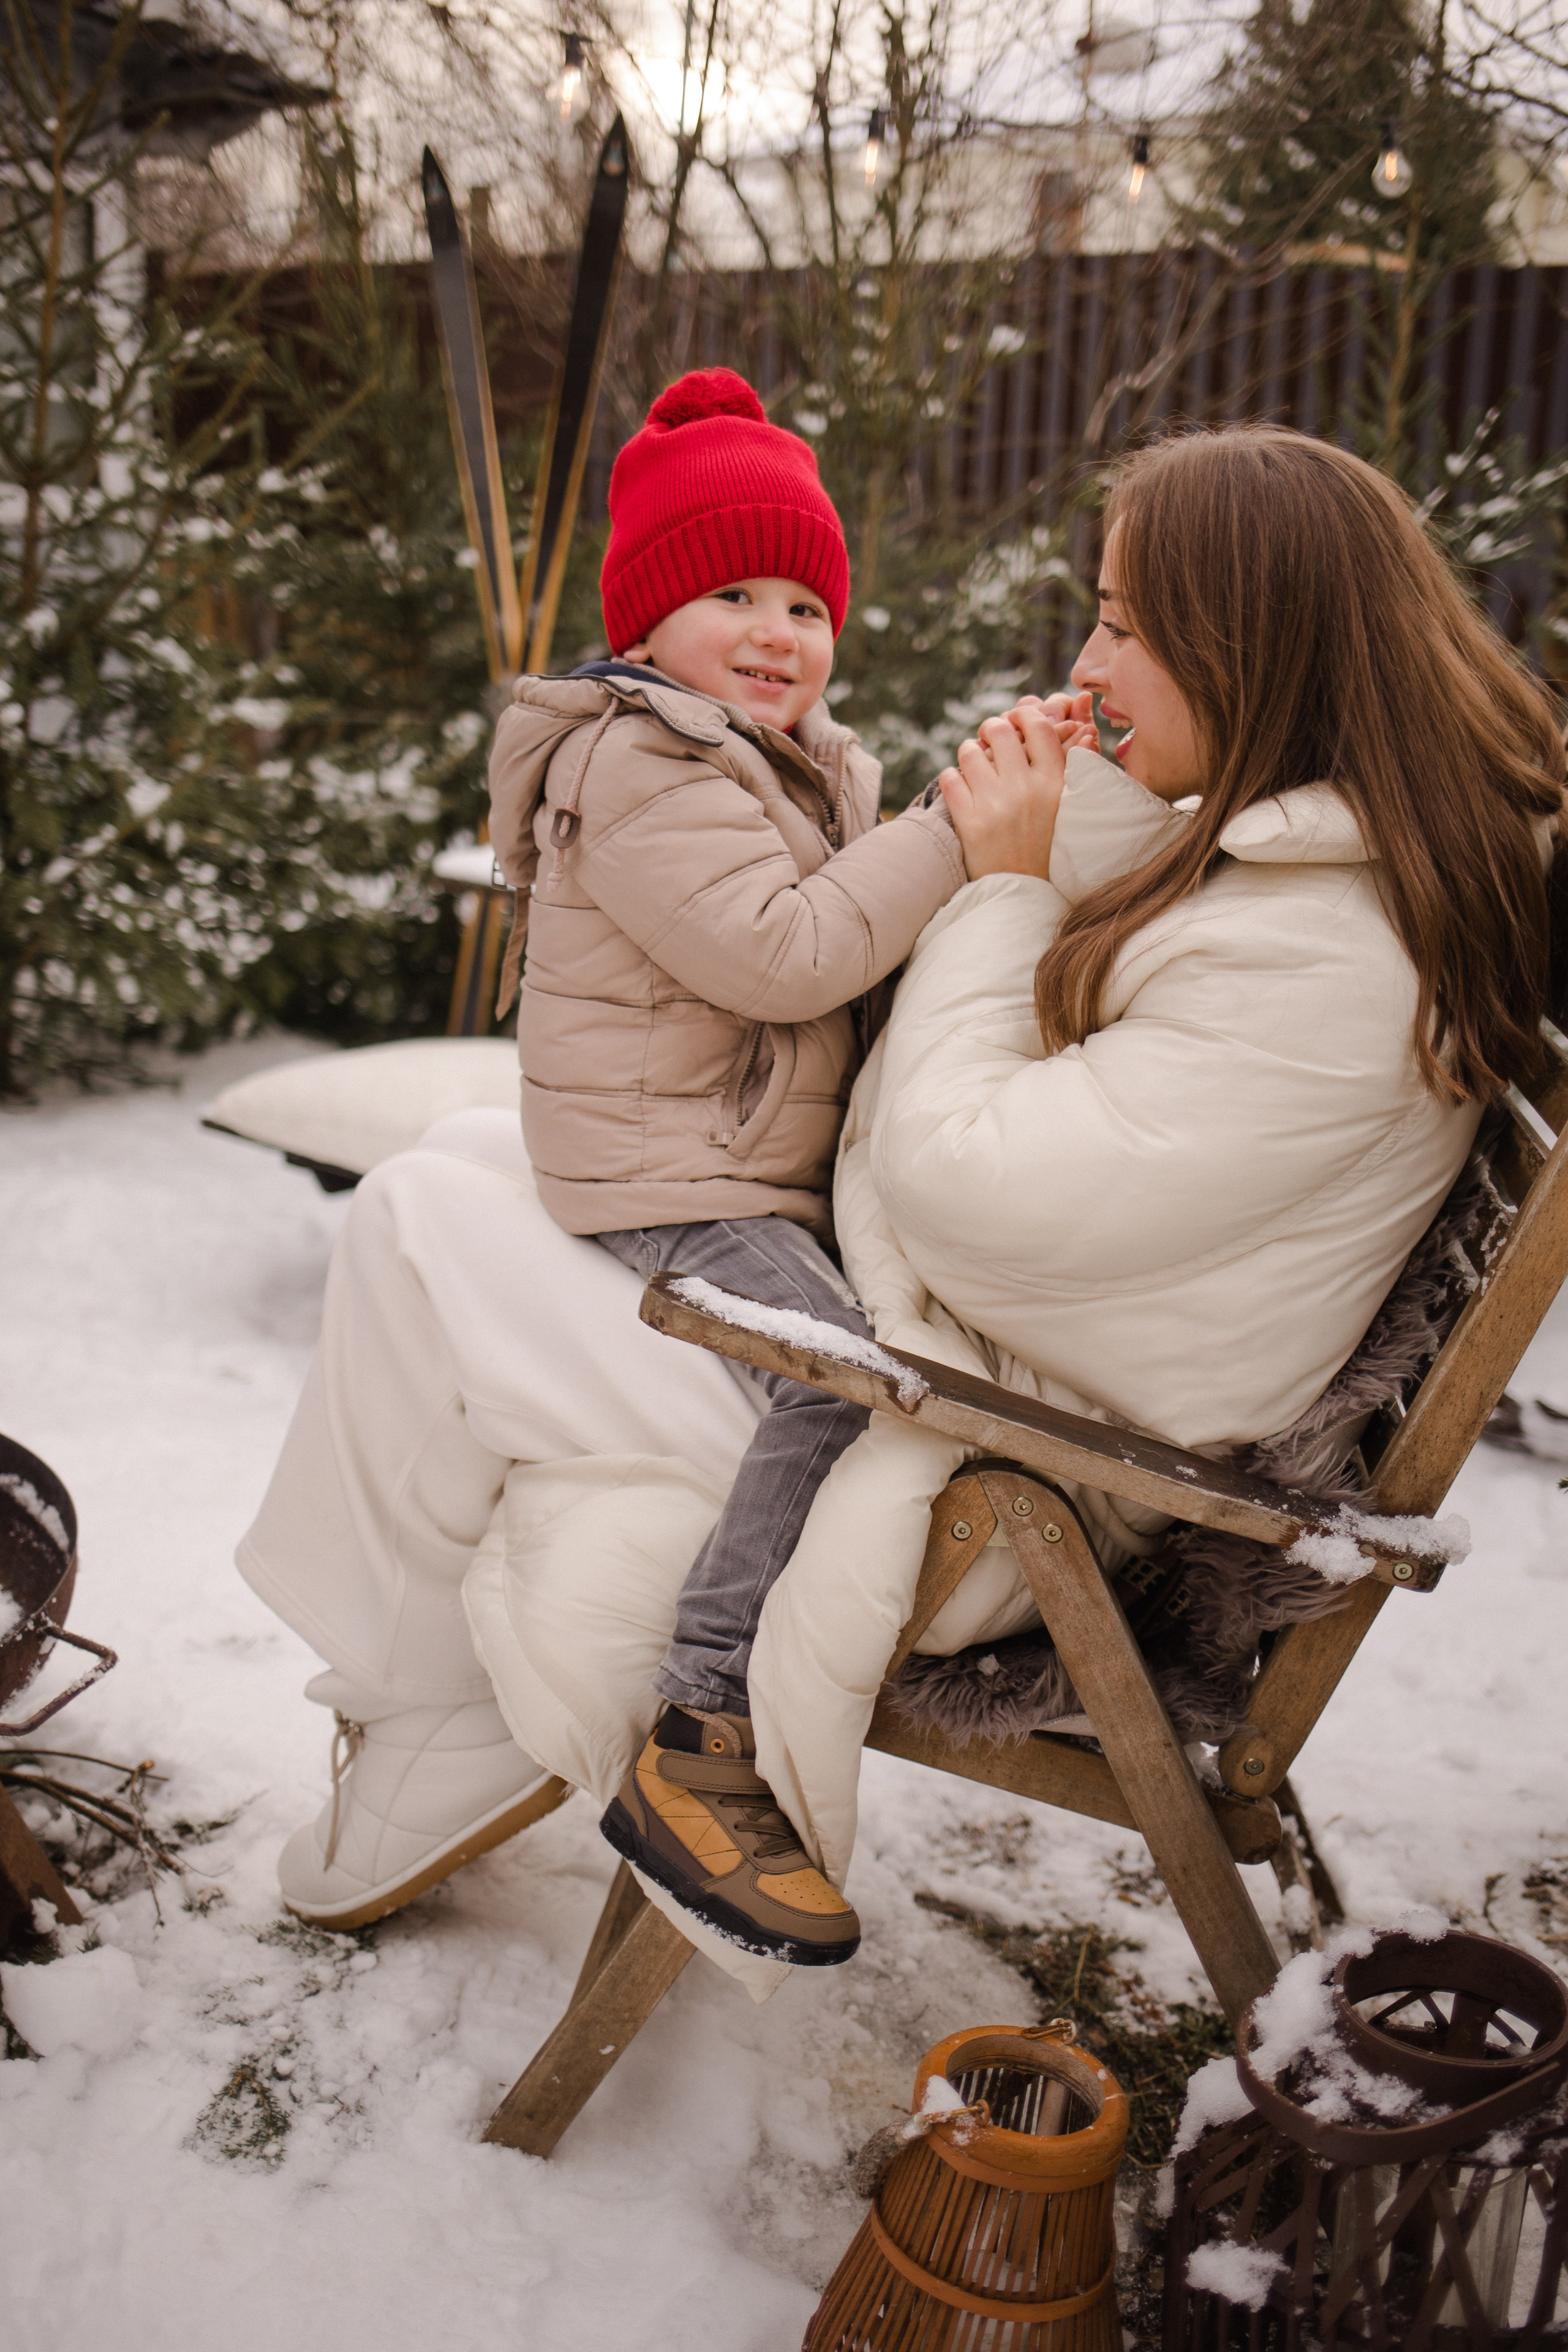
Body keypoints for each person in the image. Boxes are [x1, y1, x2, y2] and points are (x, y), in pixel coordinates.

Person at [239, 424, 1562, 1981]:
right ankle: (422, 1707)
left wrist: (997, 881)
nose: (1087, 655)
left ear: (1249, 648)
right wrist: (1044, 819)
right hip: (964, 1374)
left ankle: (412, 1718)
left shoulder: (1329, 962)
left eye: (1124, 625)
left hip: (997, 1483)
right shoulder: (1305, 869)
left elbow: (957, 1193)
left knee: (413, 1217)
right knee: (471, 1157)